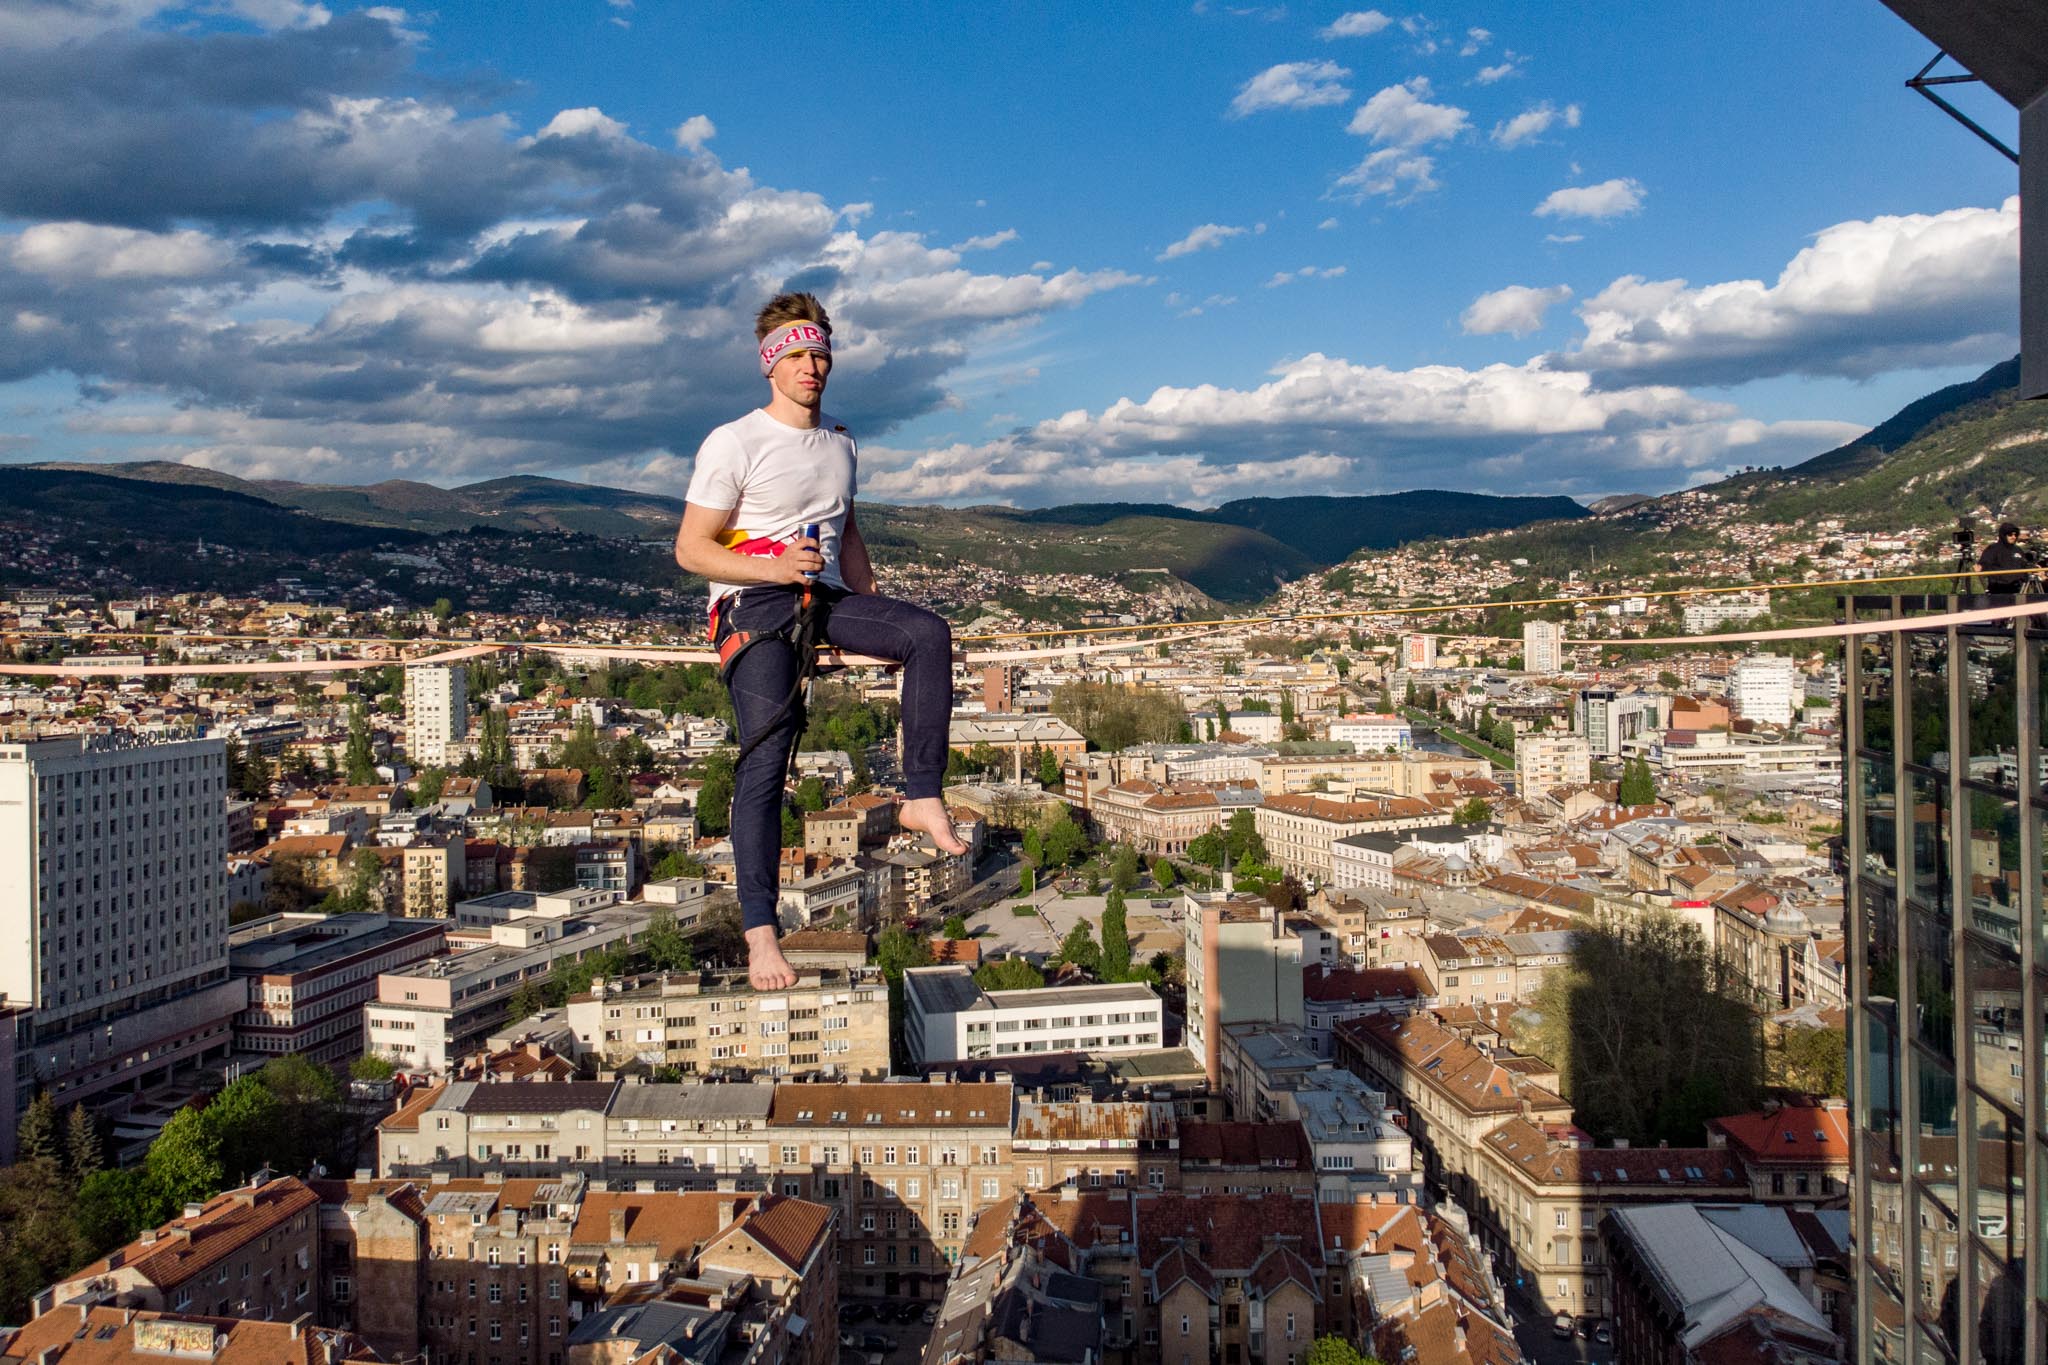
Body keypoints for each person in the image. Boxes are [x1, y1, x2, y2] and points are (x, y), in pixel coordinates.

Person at [675, 292, 968, 990]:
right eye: (800, 355)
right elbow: (691, 548)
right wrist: (771, 567)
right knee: (767, 755)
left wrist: (874, 611)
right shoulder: (734, 441)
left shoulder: (841, 439)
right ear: (771, 364)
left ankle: (921, 794)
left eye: (822, 354)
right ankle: (761, 932)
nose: (814, 366)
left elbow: (850, 530)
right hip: (754, 599)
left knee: (927, 634)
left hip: (825, 596)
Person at [1976, 522, 2035, 594]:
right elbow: (1984, 564)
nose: (2013, 537)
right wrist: (1980, 567)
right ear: (2003, 535)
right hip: (1999, 589)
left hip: (2018, 589)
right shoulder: (1993, 549)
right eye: (2010, 535)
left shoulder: (2018, 549)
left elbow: (2024, 565)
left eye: (2015, 535)